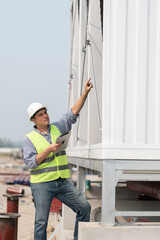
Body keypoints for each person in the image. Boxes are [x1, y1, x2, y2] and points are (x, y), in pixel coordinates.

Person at [23, 78, 93, 240]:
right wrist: (48, 150)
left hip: (61, 182)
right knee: (41, 222)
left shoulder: (58, 127)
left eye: (45, 112)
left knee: (84, 207)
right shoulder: (29, 139)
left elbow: (73, 112)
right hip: (41, 184)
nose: (45, 116)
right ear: (33, 120)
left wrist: (85, 93)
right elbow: (31, 163)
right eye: (40, 115)